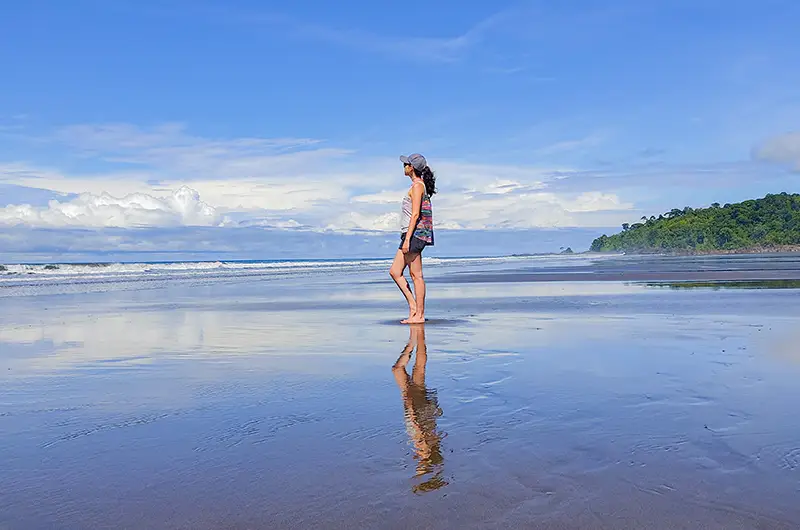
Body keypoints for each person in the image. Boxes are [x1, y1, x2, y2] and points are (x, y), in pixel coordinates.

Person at [392, 324, 447, 493]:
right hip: (416, 410)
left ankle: (416, 339)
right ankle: (416, 339)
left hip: (417, 411)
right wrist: (410, 407)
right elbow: (418, 428)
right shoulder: (424, 447)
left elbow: (425, 433)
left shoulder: (427, 446)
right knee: (412, 371)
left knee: (409, 371)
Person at [389, 153, 436, 324]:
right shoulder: (417, 186)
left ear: (412, 168)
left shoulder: (418, 186)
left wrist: (408, 239)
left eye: (406, 164)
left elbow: (416, 214)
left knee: (416, 276)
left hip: (414, 234)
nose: (404, 167)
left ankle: (419, 314)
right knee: (395, 271)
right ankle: (413, 307)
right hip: (410, 234)